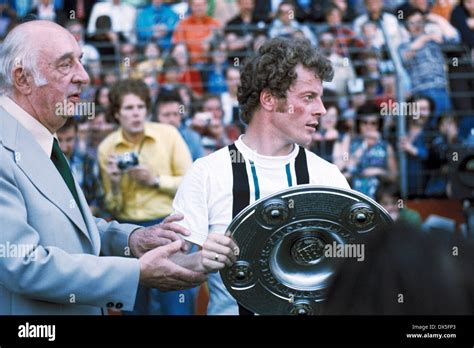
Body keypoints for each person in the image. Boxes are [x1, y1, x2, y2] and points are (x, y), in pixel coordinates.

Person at [0, 20, 206, 315]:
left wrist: (132, 240)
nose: (83, 77)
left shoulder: (42, 137)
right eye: (65, 64)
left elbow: (72, 228)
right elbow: (23, 264)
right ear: (22, 79)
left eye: (81, 62)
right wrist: (134, 273)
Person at [168, 37, 351, 315]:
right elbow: (168, 267)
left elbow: (355, 267)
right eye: (309, 97)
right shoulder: (207, 172)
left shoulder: (328, 176)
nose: (321, 109)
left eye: (320, 97)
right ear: (269, 99)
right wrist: (198, 261)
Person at [98, 78, 196, 315]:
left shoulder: (168, 135)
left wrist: (155, 180)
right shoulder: (107, 148)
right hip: (128, 231)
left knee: (176, 305)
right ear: (117, 113)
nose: (136, 114)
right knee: (135, 307)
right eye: (129, 108)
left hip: (168, 226)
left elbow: (191, 183)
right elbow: (112, 205)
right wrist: (114, 181)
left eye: (141, 107)